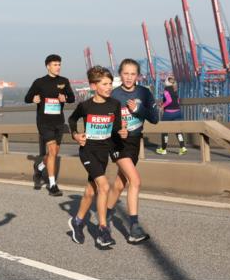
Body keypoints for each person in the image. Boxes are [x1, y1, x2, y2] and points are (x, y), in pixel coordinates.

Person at [67, 66, 128, 250]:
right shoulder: (85, 106)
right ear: (94, 86)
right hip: (88, 152)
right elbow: (71, 120)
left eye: (110, 83)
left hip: (104, 153)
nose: (109, 87)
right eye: (105, 84)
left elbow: (117, 128)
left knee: (90, 192)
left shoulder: (115, 105)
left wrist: (122, 132)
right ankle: (103, 230)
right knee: (104, 186)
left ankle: (77, 221)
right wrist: (76, 135)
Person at [107, 59, 158, 243]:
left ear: (138, 76)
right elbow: (105, 122)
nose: (129, 77)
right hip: (118, 143)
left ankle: (105, 217)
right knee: (135, 180)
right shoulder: (113, 95)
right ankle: (134, 228)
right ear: (120, 74)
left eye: (132, 74)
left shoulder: (144, 93)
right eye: (125, 73)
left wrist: (139, 109)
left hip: (135, 142)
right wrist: (116, 130)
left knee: (120, 184)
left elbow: (155, 118)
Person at [25, 54, 76, 195]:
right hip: (44, 122)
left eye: (59, 64)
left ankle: (40, 167)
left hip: (59, 122)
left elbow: (72, 98)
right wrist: (33, 99)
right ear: (48, 66)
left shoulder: (64, 81)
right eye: (55, 64)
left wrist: (64, 97)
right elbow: (27, 97)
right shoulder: (39, 82)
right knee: (53, 151)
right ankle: (53, 185)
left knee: (53, 153)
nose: (58, 67)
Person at [157, 76, 187, 155]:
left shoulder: (166, 90)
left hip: (169, 113)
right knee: (178, 130)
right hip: (178, 112)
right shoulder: (175, 89)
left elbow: (169, 100)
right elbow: (176, 101)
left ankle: (163, 149)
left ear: (166, 82)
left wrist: (163, 106)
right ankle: (182, 148)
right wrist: (163, 103)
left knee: (164, 130)